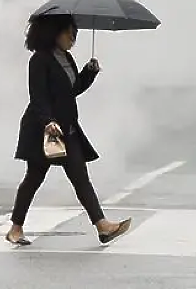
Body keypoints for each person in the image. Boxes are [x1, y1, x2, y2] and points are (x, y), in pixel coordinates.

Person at [7, 13, 132, 246]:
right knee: (34, 178)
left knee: (80, 177)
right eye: (68, 32)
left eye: (75, 33)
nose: (73, 38)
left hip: (68, 127)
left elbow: (71, 91)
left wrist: (89, 73)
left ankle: (102, 226)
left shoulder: (66, 57)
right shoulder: (39, 60)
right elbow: (38, 97)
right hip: (43, 129)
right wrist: (48, 121)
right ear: (53, 32)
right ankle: (16, 228)